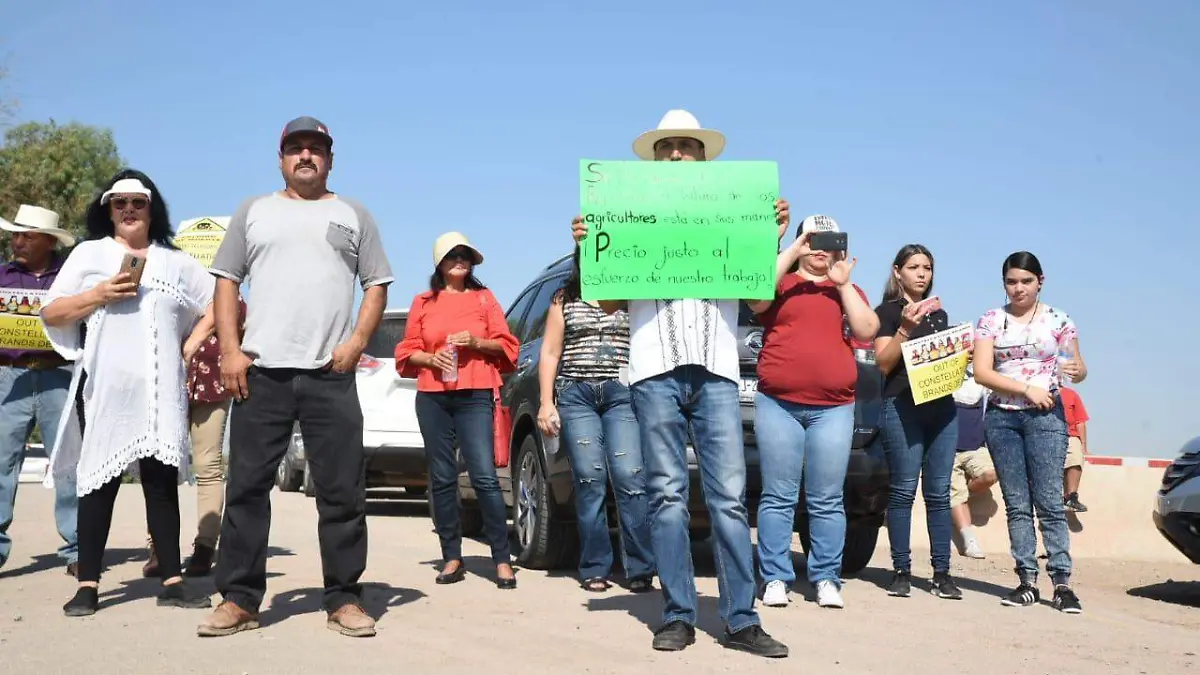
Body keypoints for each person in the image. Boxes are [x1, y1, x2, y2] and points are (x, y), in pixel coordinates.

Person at [570, 109, 790, 658]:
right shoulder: (630, 212)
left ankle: (741, 617)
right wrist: (592, 244)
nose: (676, 155)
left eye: (686, 147)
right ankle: (678, 613)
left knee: (730, 500)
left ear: (702, 157)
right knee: (666, 497)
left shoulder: (731, 213)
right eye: (667, 147)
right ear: (654, 158)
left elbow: (760, 302)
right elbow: (607, 300)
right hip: (652, 371)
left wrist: (767, 236)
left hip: (716, 370)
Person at [198, 117, 393, 638]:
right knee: (246, 488)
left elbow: (376, 284)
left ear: (330, 158)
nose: (306, 156)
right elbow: (227, 282)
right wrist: (231, 351)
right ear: (281, 157)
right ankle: (239, 598)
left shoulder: (355, 214)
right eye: (295, 148)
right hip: (262, 372)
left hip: (331, 373)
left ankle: (344, 598)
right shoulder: (253, 212)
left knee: (342, 491)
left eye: (316, 149)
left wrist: (354, 344)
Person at [39, 170, 215, 616]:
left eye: (139, 202)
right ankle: (89, 584)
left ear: (153, 209)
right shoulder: (90, 254)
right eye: (120, 203)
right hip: (106, 390)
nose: (130, 210)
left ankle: (173, 579)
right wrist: (98, 294)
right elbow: (53, 310)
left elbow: (222, 302)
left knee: (161, 484)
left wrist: (190, 346)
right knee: (98, 482)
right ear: (108, 210)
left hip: (161, 392)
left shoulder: (175, 262)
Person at [750, 215, 878, 610]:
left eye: (829, 238)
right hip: (778, 403)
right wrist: (792, 248)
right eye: (813, 237)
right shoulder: (783, 283)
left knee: (826, 498)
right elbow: (756, 297)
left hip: (834, 408)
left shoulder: (847, 289)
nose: (821, 247)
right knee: (778, 496)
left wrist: (841, 286)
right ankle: (775, 577)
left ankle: (825, 577)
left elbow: (867, 329)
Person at [395, 232, 519, 589]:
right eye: (452, 255)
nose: (459, 260)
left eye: (465, 255)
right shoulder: (424, 301)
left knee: (483, 476)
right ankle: (452, 556)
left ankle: (501, 558)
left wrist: (477, 342)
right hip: (433, 396)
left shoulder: (484, 299)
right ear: (440, 263)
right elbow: (408, 351)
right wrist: (429, 358)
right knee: (443, 478)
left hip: (476, 392)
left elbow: (507, 345)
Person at [972, 251, 1086, 614]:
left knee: (1050, 502)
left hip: (1046, 418)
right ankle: (1026, 580)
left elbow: (1075, 366)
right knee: (1017, 504)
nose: (1018, 288)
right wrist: (1024, 390)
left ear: (1041, 281)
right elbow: (981, 372)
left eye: (1026, 281)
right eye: (1011, 281)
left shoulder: (1059, 321)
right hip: (1004, 419)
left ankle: (1063, 582)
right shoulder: (991, 320)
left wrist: (1079, 370)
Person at [535, 247, 654, 594]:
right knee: (589, 479)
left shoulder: (633, 297)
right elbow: (551, 351)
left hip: (623, 395)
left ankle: (640, 567)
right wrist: (546, 402)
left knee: (630, 476)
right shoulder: (564, 298)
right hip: (576, 395)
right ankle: (594, 566)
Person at [873, 244, 963, 600]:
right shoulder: (887, 312)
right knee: (903, 490)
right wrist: (905, 330)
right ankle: (901, 571)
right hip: (902, 406)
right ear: (898, 272)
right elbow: (883, 363)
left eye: (927, 267)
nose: (922, 274)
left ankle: (942, 574)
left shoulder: (939, 315)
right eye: (914, 267)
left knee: (939, 492)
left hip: (941, 408)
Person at [0, 205, 79, 577]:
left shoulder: (70, 279)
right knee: (1, 464)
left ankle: (78, 549)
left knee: (67, 463)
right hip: (10, 376)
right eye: (16, 235)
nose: (17, 242)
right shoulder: (2, 277)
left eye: (27, 235)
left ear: (49, 241)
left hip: (58, 375)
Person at [950, 370, 997, 559]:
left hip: (975, 447)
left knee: (991, 473)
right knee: (955, 494)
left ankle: (963, 493)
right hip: (948, 448)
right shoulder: (943, 376)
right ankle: (969, 540)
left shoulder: (982, 379)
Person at [1060, 386, 1089, 512]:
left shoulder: (1071, 394)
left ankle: (1071, 497)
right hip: (1046, 435)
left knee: (1076, 456)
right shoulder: (1040, 391)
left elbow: (1080, 422)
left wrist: (1083, 446)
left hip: (1070, 435)